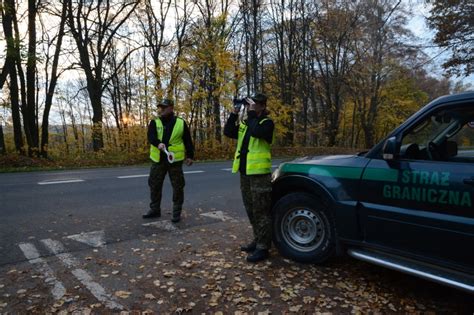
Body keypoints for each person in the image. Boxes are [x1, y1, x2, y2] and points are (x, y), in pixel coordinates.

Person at [224, 93, 275, 263]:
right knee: (250, 209)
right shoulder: (246, 123)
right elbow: (228, 131)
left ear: (262, 106)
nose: (251, 107)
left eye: (255, 104)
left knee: (261, 211)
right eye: (250, 104)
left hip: (259, 174)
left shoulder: (266, 123)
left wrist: (252, 114)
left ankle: (263, 247)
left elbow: (257, 132)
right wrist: (234, 112)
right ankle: (257, 239)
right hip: (245, 173)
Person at [143, 98, 194, 223]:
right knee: (154, 184)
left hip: (174, 161)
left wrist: (190, 156)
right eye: (160, 107)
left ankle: (176, 212)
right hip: (158, 160)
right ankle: (155, 209)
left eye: (164, 107)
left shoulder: (181, 123)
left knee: (178, 186)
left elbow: (187, 140)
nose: (161, 109)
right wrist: (158, 143)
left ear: (171, 108)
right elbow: (151, 137)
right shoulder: (154, 122)